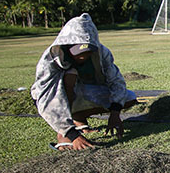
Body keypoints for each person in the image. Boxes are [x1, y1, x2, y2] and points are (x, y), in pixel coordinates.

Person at [31, 13, 137, 149]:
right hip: (54, 96)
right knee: (70, 74)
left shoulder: (102, 52)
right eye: (79, 52)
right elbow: (46, 97)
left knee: (128, 98)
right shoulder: (51, 58)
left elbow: (116, 81)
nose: (83, 56)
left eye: (88, 51)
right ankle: (63, 134)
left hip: (83, 91)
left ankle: (78, 118)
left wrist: (115, 113)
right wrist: (71, 134)